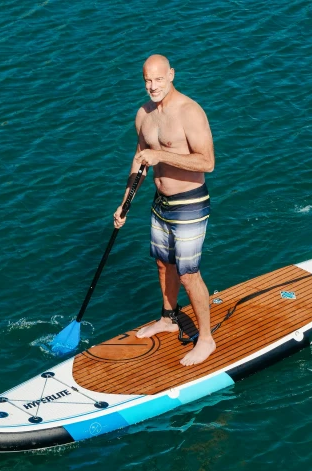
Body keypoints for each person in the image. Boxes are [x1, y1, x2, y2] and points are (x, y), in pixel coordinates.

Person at [113, 54, 216, 366]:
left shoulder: (189, 111)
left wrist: (162, 156)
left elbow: (207, 162)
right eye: (148, 80)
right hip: (160, 203)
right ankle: (168, 318)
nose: (153, 86)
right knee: (162, 264)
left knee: (188, 274)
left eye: (158, 79)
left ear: (171, 75)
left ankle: (207, 339)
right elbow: (140, 159)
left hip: (190, 204)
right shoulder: (143, 115)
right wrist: (125, 203)